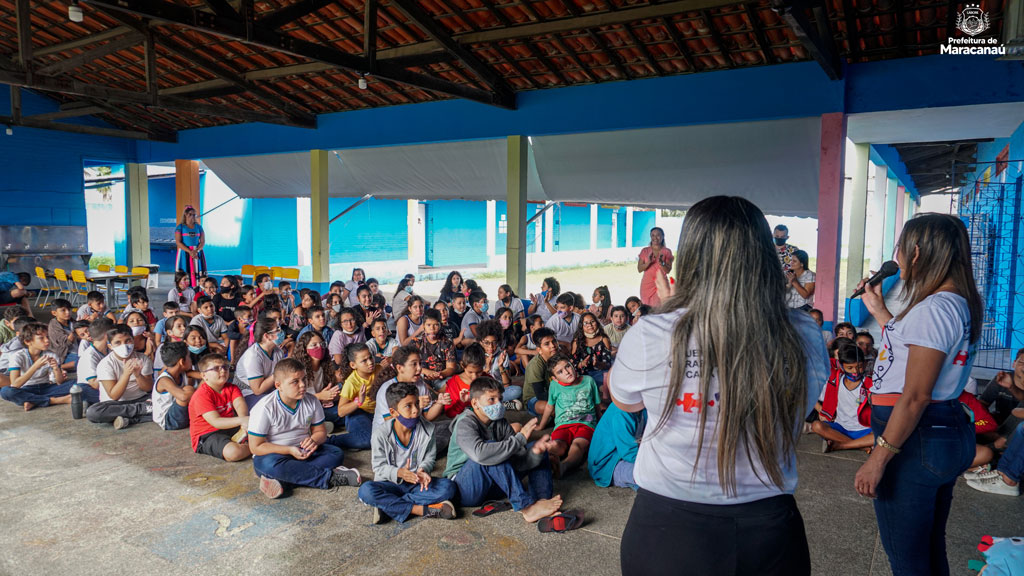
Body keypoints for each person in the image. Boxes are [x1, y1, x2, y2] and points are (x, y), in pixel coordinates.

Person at [611, 196, 828, 576]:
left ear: (692, 257)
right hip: (768, 530)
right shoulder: (805, 332)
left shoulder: (652, 333)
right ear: (763, 254)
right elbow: (799, 406)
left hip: (668, 530)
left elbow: (626, 402)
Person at [853, 213, 983, 575]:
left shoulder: (935, 309)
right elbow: (912, 350)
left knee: (907, 559)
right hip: (937, 431)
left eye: (900, 248)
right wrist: (880, 311)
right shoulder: (956, 302)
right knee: (927, 548)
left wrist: (878, 458)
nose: (895, 258)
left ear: (917, 251)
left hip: (915, 437)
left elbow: (915, 396)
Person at [443, 377, 567, 524]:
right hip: (465, 489)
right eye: (491, 399)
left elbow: (518, 459)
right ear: (475, 403)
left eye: (500, 399)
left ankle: (540, 502)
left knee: (536, 448)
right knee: (491, 451)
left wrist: (534, 454)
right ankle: (526, 508)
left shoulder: (499, 422)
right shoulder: (465, 423)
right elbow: (481, 454)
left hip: (493, 485)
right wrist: (519, 439)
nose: (498, 404)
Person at [248, 358, 361, 498]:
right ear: (278, 385)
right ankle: (329, 478)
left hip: (304, 451)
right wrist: (289, 450)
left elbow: (320, 432)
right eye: (295, 382)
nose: (302, 385)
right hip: (276, 455)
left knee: (335, 454)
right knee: (268, 465)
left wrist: (313, 441)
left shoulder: (312, 401)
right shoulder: (264, 408)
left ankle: (284, 481)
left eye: (304, 379)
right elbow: (255, 447)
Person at [358, 382, 458, 523]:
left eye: (417, 403)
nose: (416, 410)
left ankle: (388, 506)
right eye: (408, 406)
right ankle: (420, 510)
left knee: (449, 488)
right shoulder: (380, 434)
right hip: (390, 483)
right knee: (366, 491)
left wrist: (424, 469)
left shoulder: (427, 429)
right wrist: (399, 473)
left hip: (416, 482)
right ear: (393, 412)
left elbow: (430, 456)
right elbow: (378, 467)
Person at [539, 354, 600, 475]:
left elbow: (597, 405)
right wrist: (541, 425)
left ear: (572, 364)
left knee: (577, 446)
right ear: (555, 378)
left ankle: (564, 466)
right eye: (560, 372)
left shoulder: (588, 381)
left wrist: (600, 425)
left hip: (585, 423)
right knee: (557, 445)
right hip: (563, 424)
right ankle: (547, 459)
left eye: (568, 366)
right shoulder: (554, 386)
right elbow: (549, 406)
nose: (567, 372)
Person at [86, 324, 155, 429]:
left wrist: (138, 375)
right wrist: (126, 374)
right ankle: (143, 410)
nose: (124, 345)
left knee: (170, 401)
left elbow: (148, 388)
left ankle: (129, 419)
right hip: (116, 404)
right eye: (118, 343)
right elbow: (114, 395)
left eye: (128, 341)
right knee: (93, 412)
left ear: (133, 340)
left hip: (141, 399)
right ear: (110, 346)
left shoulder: (143, 359)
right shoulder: (105, 364)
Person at [811, 342, 873, 453]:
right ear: (841, 365)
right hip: (840, 428)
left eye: (859, 367)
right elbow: (822, 364)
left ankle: (841, 445)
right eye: (850, 368)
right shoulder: (835, 381)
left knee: (881, 436)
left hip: (864, 430)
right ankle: (862, 446)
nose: (855, 371)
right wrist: (820, 410)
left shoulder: (870, 384)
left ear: (864, 364)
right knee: (817, 426)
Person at [189, 353, 251, 462]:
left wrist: (244, 424)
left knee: (268, 432)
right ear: (204, 376)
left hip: (230, 427)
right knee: (233, 453)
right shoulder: (201, 394)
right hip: (208, 434)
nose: (223, 371)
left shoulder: (232, 388)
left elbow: (240, 405)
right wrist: (242, 420)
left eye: (225, 367)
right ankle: (256, 448)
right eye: (216, 368)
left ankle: (253, 445)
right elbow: (216, 422)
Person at [0, 322, 71, 411]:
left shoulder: (51, 355)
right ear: (28, 341)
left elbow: (59, 382)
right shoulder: (18, 356)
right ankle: (55, 400)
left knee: (78, 384)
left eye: (47, 337)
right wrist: (35, 366)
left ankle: (33, 401)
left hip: (46, 387)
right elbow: (15, 384)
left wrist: (56, 369)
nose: (47, 340)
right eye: (41, 338)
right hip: (26, 389)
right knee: (6, 392)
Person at [328, 343, 379, 451]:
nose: (370, 362)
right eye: (364, 361)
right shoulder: (351, 382)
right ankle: (331, 441)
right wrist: (358, 401)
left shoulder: (379, 370)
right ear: (353, 365)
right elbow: (341, 411)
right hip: (358, 413)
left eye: (370, 357)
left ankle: (355, 441)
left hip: (377, 413)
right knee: (368, 440)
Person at [588, 404, 646, 490]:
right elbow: (628, 453)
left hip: (624, 456)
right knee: (651, 475)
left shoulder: (642, 410)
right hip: (608, 466)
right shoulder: (621, 413)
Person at [234, 316, 287, 408]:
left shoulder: (278, 351)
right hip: (247, 391)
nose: (281, 332)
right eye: (277, 329)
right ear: (267, 336)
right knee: (270, 408)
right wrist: (280, 371)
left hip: (268, 387)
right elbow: (257, 390)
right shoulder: (253, 356)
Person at [151, 342, 195, 431]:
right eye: (189, 357)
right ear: (182, 361)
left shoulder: (183, 372)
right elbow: (183, 397)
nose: (191, 360)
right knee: (188, 390)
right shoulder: (164, 380)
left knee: (201, 385)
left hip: (178, 415)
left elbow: (203, 376)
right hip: (169, 421)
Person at [412, 309, 457, 390]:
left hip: (441, 377)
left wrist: (439, 374)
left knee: (452, 385)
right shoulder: (417, 342)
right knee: (413, 384)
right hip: (421, 375)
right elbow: (411, 365)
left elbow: (451, 368)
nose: (432, 328)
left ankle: (436, 395)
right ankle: (434, 394)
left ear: (440, 325)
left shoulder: (447, 343)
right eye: (428, 325)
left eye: (435, 325)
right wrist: (427, 372)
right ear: (424, 326)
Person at [442, 343, 486, 419]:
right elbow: (450, 413)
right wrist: (462, 402)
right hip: (463, 421)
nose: (474, 377)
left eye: (479, 372)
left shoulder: (487, 379)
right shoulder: (453, 383)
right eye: (470, 372)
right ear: (462, 365)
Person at [523, 327, 559, 417]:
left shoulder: (559, 357)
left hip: (555, 393)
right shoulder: (535, 365)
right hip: (535, 398)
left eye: (554, 341)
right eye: (547, 344)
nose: (553, 346)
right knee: (552, 408)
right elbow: (541, 395)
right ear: (539, 349)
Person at [76, 318, 112, 404]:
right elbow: (94, 384)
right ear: (106, 335)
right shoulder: (89, 355)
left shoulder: (109, 349)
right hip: (90, 387)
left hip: (108, 383)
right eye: (113, 333)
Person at [637, 227, 674, 307]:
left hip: (661, 284)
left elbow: (668, 270)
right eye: (653, 235)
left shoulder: (667, 251)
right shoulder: (645, 251)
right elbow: (639, 269)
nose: (655, 238)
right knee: (647, 310)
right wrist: (648, 262)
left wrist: (662, 263)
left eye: (658, 235)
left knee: (660, 310)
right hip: (646, 285)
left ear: (663, 236)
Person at [175, 205, 206, 289]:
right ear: (185, 214)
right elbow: (178, 242)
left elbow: (202, 242)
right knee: (185, 271)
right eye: (190, 214)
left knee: (197, 272)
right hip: (184, 253)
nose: (192, 216)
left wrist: (196, 251)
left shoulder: (199, 227)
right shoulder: (180, 227)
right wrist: (190, 251)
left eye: (194, 215)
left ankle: (197, 291)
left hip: (197, 252)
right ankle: (183, 290)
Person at [47, 299, 75, 371]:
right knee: (82, 360)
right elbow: (66, 343)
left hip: (76, 350)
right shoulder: (54, 326)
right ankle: (60, 367)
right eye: (63, 310)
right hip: (64, 354)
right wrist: (76, 330)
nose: (68, 312)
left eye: (69, 309)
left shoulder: (72, 321)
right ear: (54, 313)